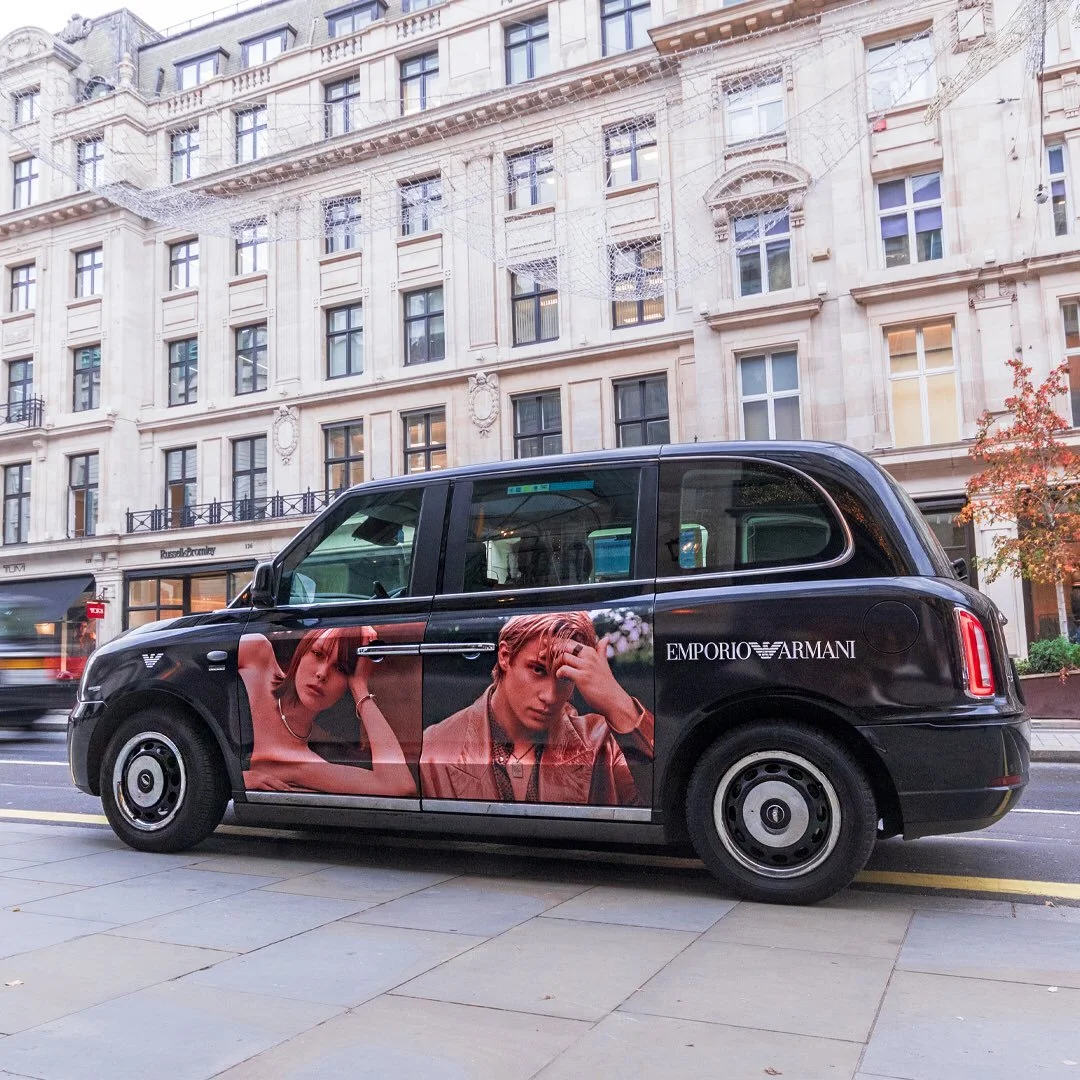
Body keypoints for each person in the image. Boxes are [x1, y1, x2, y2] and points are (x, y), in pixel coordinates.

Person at [420, 611, 653, 806]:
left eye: (564, 676)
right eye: (538, 670)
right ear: (504, 656)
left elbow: (660, 800)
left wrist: (618, 704)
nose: (550, 696)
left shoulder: (603, 742)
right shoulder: (435, 746)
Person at [239, 625, 416, 796]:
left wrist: (360, 686)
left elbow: (399, 785)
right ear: (302, 651)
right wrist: (238, 779)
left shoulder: (305, 764)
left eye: (340, 668)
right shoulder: (256, 655)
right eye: (317, 654)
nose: (322, 673)